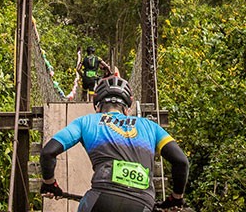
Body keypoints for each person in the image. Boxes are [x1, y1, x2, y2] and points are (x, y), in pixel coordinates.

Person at [40, 76, 189, 211]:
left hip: (101, 198)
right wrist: (176, 198)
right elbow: (181, 162)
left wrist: (50, 184)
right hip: (142, 202)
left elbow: (48, 152)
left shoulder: (85, 121)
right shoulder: (151, 126)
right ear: (127, 108)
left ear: (97, 107)